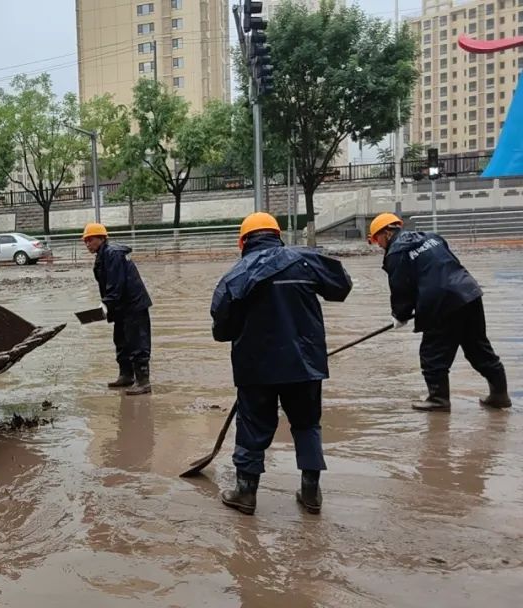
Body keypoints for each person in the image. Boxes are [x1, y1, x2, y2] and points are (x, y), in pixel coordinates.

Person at [210, 213, 353, 515]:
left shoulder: (234, 277)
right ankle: (311, 493)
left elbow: (221, 332)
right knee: (307, 424)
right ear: (278, 235)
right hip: (305, 365)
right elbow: (341, 287)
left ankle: (246, 493)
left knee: (252, 428)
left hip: (255, 370)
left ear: (243, 242)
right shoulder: (306, 261)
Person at [368, 213, 512, 411]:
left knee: (433, 353)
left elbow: (401, 288)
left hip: (439, 304)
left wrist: (399, 315)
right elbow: (445, 265)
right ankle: (499, 395)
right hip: (468, 293)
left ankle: (438, 399)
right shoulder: (431, 237)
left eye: (376, 239)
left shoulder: (396, 252)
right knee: (477, 347)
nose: (378, 245)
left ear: (386, 233)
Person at [82, 222, 153, 395]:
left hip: (132, 306)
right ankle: (126, 375)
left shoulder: (112, 254)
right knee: (121, 340)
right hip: (121, 306)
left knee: (137, 341)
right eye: (85, 241)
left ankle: (143, 382)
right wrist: (108, 306)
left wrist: (105, 305)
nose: (87, 244)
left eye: (89, 240)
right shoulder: (103, 255)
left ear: (100, 238)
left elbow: (116, 285)